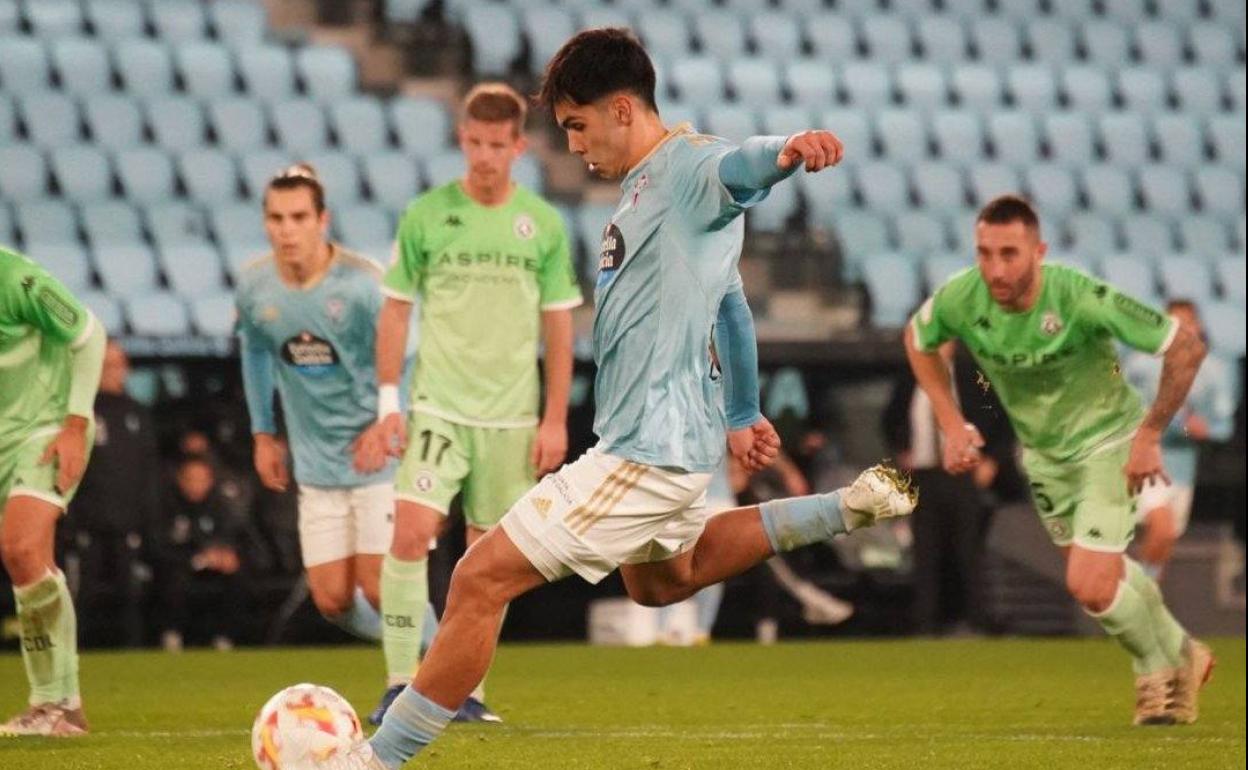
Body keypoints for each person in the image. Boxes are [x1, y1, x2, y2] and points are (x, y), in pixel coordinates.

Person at [340, 29, 915, 769]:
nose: (574, 144)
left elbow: (739, 165)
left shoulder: (686, 170)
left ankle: (370, 762)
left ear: (620, 108)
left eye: (577, 125)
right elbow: (731, 303)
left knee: (477, 577)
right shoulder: (645, 192)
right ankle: (846, 508)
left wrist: (787, 149)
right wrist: (741, 411)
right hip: (673, 447)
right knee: (660, 581)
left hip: (643, 451)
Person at [904, 195, 1212, 726]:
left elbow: (1185, 348)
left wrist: (1150, 433)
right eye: (984, 253)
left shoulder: (1080, 297)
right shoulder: (963, 297)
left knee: (1089, 585)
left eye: (1009, 253)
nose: (995, 269)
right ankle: (1186, 650)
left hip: (1108, 445)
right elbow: (917, 339)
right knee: (1107, 572)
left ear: (1038, 251)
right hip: (1045, 458)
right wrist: (951, 423)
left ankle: (1157, 673)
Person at [370, 82, 582, 723]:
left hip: (512, 416)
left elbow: (559, 326)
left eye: (498, 145)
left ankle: (467, 692)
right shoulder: (427, 215)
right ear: (462, 140)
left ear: (518, 146)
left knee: (486, 561)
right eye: (475, 143)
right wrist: (388, 401)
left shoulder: (541, 224)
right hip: (439, 405)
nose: (486, 156)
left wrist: (554, 417)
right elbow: (396, 310)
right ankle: (399, 680)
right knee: (410, 534)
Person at [235, 165, 434, 724]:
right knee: (331, 600)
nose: (286, 229)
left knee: (377, 585)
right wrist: (262, 431)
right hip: (316, 463)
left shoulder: (362, 284)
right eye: (275, 218)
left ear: (322, 220)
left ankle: (427, 675)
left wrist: (389, 420)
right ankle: (434, 643)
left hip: (375, 455)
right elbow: (254, 354)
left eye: (298, 217)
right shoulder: (255, 285)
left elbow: (411, 355)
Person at [0, 245, 107, 736]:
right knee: (28, 561)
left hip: (46, 428)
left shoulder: (17, 278)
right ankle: (59, 709)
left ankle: (57, 704)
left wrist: (75, 423)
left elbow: (89, 335)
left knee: (19, 545)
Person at [883, 340, 1008, 636]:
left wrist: (992, 459)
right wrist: (902, 449)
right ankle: (925, 621)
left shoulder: (972, 374)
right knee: (925, 548)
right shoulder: (910, 376)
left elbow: (999, 414)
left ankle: (977, 619)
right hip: (924, 474)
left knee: (968, 547)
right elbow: (891, 419)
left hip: (965, 471)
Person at [1124, 300, 1237, 580]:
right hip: (1148, 460)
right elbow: (1124, 408)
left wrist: (1205, 430)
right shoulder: (1140, 366)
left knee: (1166, 539)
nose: (1179, 330)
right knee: (1161, 526)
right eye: (1172, 323)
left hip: (1184, 468)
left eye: (1185, 323)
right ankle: (1137, 597)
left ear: (1197, 326)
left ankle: (1144, 595)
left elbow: (1223, 426)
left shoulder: (1214, 371)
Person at [68, 340, 159, 648]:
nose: (112, 371)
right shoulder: (80, 414)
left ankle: (135, 658)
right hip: (89, 524)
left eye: (117, 364)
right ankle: (72, 659)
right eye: (106, 365)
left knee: (131, 597)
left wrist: (148, 521)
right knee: (81, 597)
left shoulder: (138, 414)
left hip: (129, 525)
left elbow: (149, 472)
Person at [150, 453, 247, 651]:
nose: (196, 485)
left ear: (210, 480)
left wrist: (225, 555)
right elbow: (157, 548)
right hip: (179, 565)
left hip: (212, 569)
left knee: (237, 576)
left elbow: (233, 538)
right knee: (174, 579)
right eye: (191, 479)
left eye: (201, 479)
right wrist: (195, 559)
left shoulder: (220, 505)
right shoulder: (165, 506)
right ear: (180, 479)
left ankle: (225, 637)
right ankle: (172, 634)